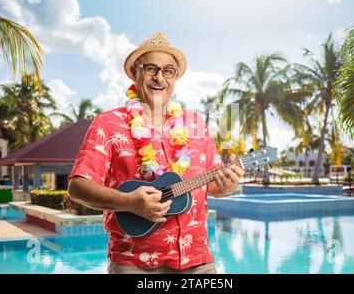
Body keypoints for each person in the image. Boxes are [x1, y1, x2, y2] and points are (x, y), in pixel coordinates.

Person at [68, 32, 244, 274]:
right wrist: (129, 202)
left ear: (174, 78)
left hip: (198, 261)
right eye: (151, 69)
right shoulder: (108, 124)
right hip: (134, 263)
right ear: (135, 71)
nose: (159, 77)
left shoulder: (195, 124)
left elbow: (214, 187)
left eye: (168, 71)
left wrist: (226, 186)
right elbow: (77, 187)